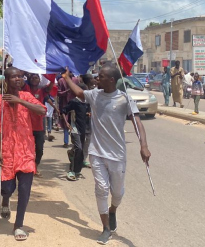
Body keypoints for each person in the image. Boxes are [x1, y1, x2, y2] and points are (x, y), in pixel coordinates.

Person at [62, 65, 151, 244]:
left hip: (117, 154)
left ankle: (113, 210)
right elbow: (79, 93)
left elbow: (137, 123)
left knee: (117, 192)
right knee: (101, 189)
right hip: (96, 152)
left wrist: (144, 145)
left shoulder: (124, 99)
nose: (96, 78)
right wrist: (66, 78)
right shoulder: (95, 95)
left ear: (111, 80)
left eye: (100, 76)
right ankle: (105, 228)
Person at [0, 67, 46, 241]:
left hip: (26, 150)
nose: (18, 79)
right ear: (6, 80)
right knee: (7, 188)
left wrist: (21, 101)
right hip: (7, 151)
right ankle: (5, 200)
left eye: (20, 76)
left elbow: (42, 110)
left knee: (25, 189)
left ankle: (18, 224)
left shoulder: (27, 96)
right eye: (14, 76)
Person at [22, 73, 55, 176]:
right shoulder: (26, 88)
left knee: (39, 149)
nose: (34, 79)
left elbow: (51, 86)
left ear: (39, 80)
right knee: (26, 148)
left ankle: (36, 165)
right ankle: (27, 167)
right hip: (26, 125)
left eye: (36, 77)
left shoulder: (42, 91)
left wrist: (53, 75)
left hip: (39, 126)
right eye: (32, 77)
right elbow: (20, 78)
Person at [62, 83, 91, 181]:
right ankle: (72, 171)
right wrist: (66, 123)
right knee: (78, 148)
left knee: (81, 149)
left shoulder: (88, 102)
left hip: (85, 129)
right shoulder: (74, 102)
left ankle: (76, 167)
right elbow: (63, 111)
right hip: (75, 129)